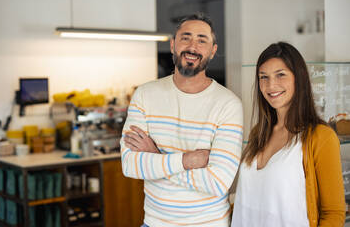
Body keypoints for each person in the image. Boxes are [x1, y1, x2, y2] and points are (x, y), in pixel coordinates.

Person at [120, 12, 243, 226]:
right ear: (173, 44)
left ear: (213, 51)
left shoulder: (228, 104)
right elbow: (130, 165)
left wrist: (156, 157)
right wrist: (187, 161)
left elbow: (218, 182)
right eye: (185, 38)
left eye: (202, 40)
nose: (192, 46)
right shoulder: (145, 94)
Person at [231, 42, 345, 227]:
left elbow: (333, 213)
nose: (271, 84)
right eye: (263, 77)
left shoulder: (321, 137)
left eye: (280, 75)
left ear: (298, 78)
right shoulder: (257, 134)